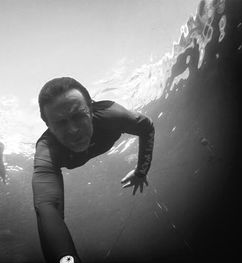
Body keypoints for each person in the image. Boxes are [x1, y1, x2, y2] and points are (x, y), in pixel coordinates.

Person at [33, 77, 155, 263]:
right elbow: (47, 206)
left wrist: (141, 171)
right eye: (60, 123)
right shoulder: (47, 148)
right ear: (48, 127)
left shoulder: (111, 115)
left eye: (78, 116)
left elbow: (147, 127)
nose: (73, 130)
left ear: (91, 110)